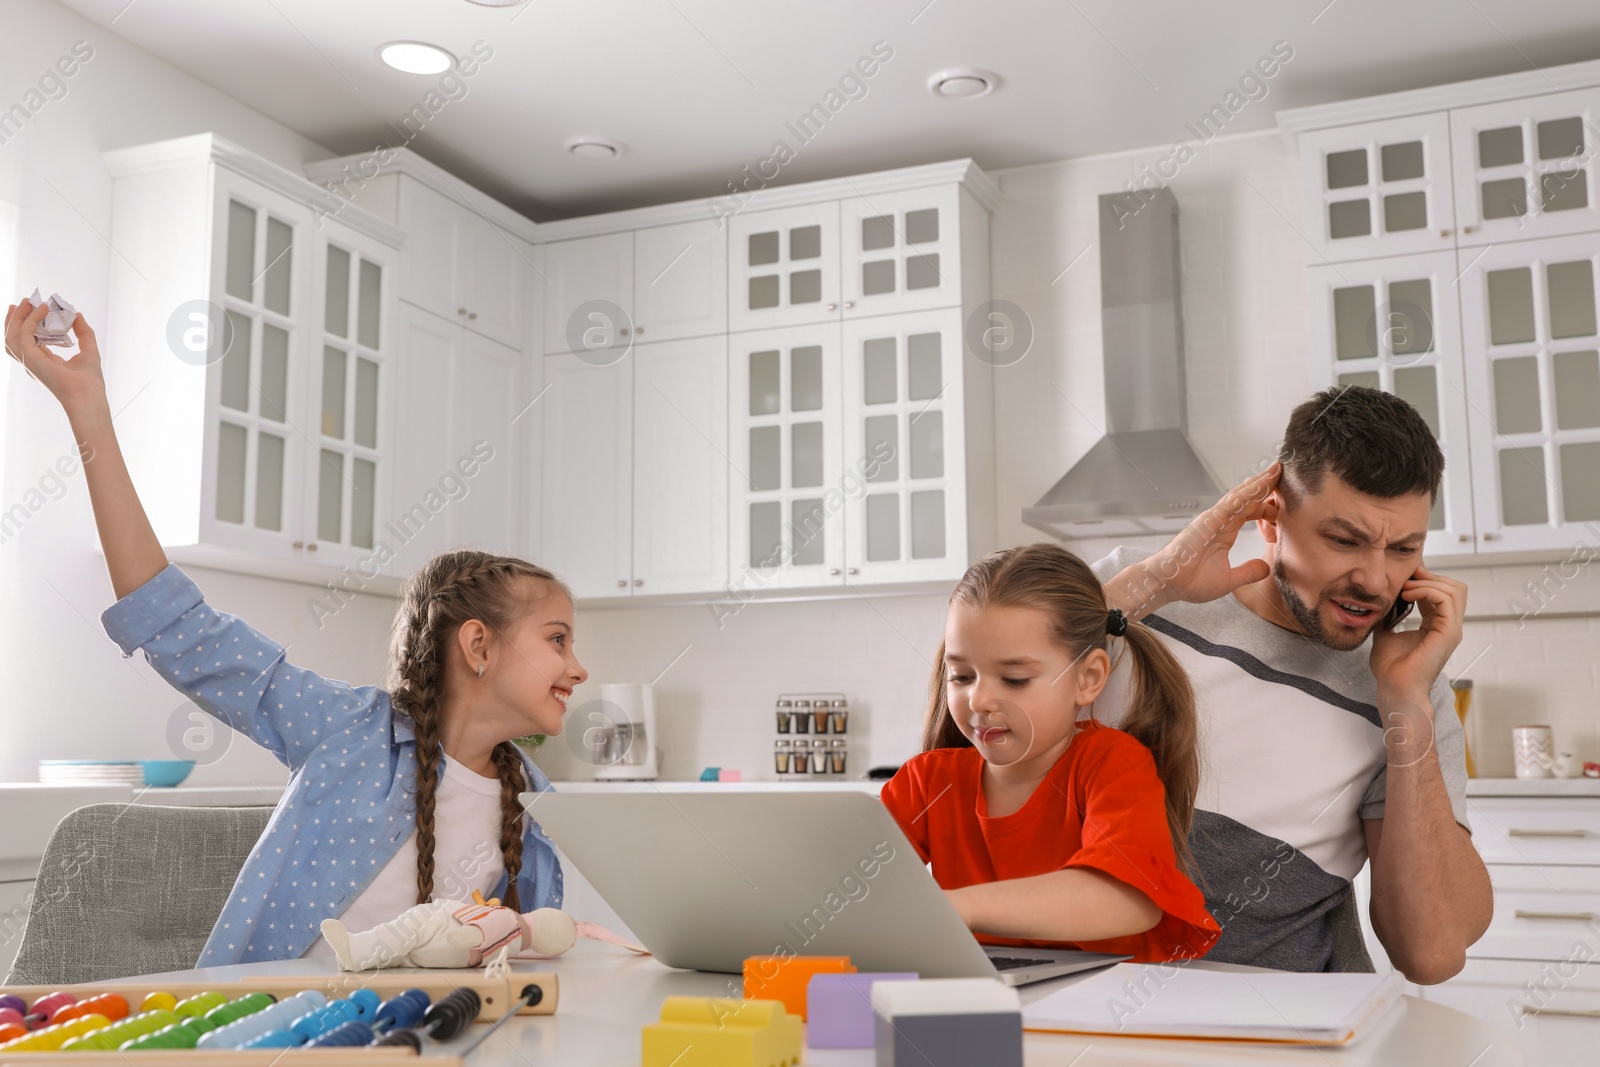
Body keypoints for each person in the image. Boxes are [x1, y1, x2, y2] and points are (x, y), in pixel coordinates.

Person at [4, 296, 588, 966]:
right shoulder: (348, 731)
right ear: (480, 646)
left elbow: (525, 969)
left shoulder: (535, 811)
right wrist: (87, 409)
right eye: (558, 639)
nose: (579, 668)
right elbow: (175, 625)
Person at [1094, 385, 1491, 981]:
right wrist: (1149, 587)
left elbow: (1431, 953)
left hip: (1281, 1025)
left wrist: (1406, 701)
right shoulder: (1134, 595)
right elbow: (970, 719)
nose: (1375, 581)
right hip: (1081, 996)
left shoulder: (1405, 688)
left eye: (1404, 548)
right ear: (1271, 516)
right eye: (1344, 540)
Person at [880, 543, 1221, 963]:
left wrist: (958, 908)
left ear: (1088, 678)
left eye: (1015, 679)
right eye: (962, 676)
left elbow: (1126, 899)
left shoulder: (1112, 765)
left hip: (1108, 1007)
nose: (979, 699)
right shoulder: (925, 782)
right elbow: (849, 887)